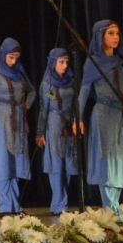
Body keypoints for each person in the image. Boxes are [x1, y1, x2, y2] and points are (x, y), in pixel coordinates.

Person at [77, 20, 123, 222]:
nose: (115, 37)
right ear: (100, 36)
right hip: (102, 115)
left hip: (120, 116)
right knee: (106, 163)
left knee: (119, 162)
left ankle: (113, 209)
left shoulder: (120, 62)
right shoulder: (93, 62)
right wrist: (78, 117)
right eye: (111, 33)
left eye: (117, 33)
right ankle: (112, 212)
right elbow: (84, 91)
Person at [0, 38, 36, 216]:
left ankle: (15, 205)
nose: (13, 61)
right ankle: (4, 206)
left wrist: (26, 105)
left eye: (16, 58)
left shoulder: (19, 72)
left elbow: (32, 91)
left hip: (18, 120)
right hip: (2, 119)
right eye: (11, 57)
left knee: (15, 163)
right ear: (3, 54)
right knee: (3, 162)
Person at [36, 48, 77, 216]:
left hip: (68, 125)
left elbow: (75, 104)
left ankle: (63, 203)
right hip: (53, 124)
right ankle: (58, 204)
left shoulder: (70, 81)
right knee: (56, 165)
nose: (65, 66)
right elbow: (43, 108)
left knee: (68, 165)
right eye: (61, 62)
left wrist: (75, 121)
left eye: (66, 62)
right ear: (53, 63)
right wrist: (40, 133)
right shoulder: (47, 84)